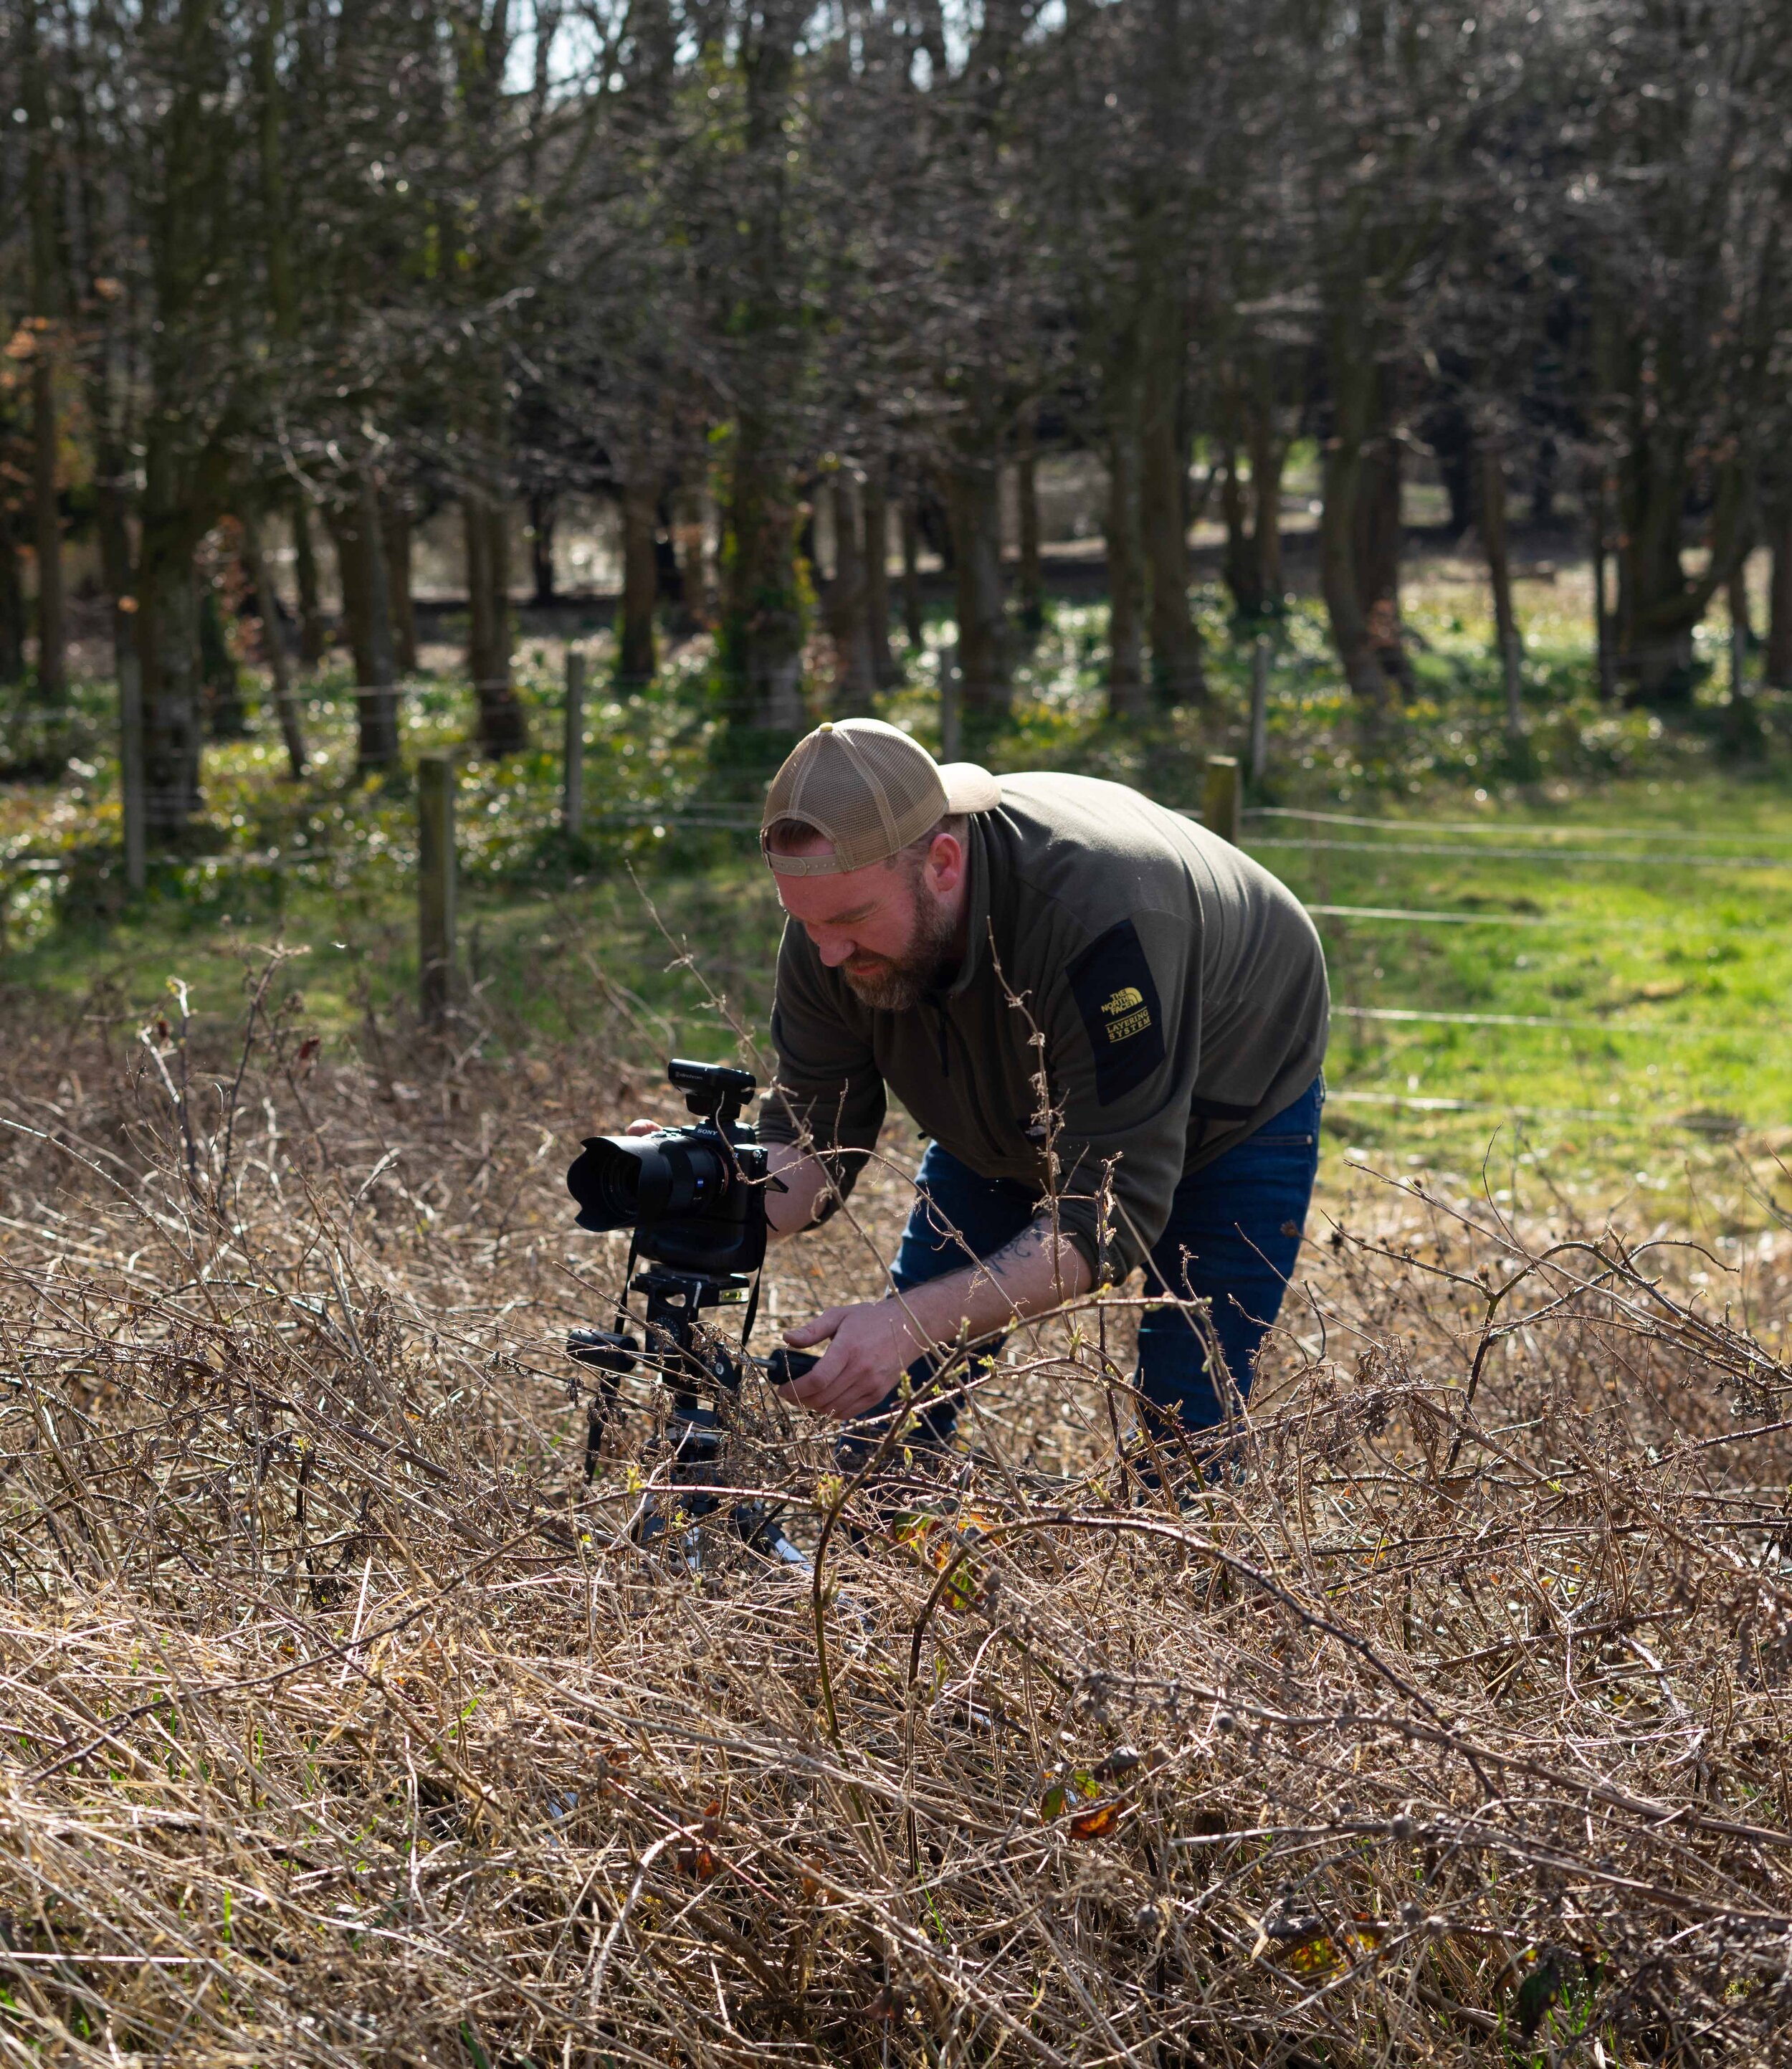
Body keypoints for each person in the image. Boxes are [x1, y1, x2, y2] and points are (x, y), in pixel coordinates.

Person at [753, 718, 1330, 1460]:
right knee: (886, 1439)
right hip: (1008, 1118)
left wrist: (907, 1322)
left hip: (1236, 1098)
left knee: (1187, 1428)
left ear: (944, 862)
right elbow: (812, 1141)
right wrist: (704, 1193)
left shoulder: (1101, 920)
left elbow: (1104, 1212)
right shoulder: (829, 928)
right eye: (805, 923)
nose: (827, 952)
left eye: (851, 920)